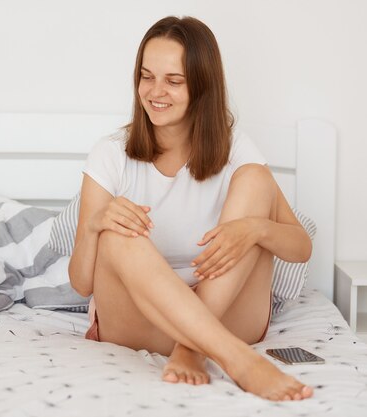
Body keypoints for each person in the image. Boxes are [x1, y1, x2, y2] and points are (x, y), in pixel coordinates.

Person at [68, 16, 314, 401]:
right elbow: (82, 284)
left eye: (173, 80)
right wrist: (96, 225)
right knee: (117, 235)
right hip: (140, 321)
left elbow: (301, 248)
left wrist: (256, 228)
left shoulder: (238, 149)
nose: (155, 92)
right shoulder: (111, 154)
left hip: (227, 312)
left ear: (202, 86)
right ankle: (238, 360)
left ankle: (192, 348)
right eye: (146, 76)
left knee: (256, 181)